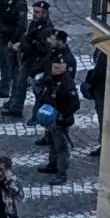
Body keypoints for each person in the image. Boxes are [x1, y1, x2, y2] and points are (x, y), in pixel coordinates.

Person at [36, 57, 78, 185]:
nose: (54, 70)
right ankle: (52, 164)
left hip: (60, 120)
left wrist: (62, 115)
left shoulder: (66, 83)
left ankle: (61, 174)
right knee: (51, 142)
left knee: (61, 148)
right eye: (53, 67)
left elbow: (75, 104)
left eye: (57, 68)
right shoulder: (52, 79)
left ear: (64, 67)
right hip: (50, 118)